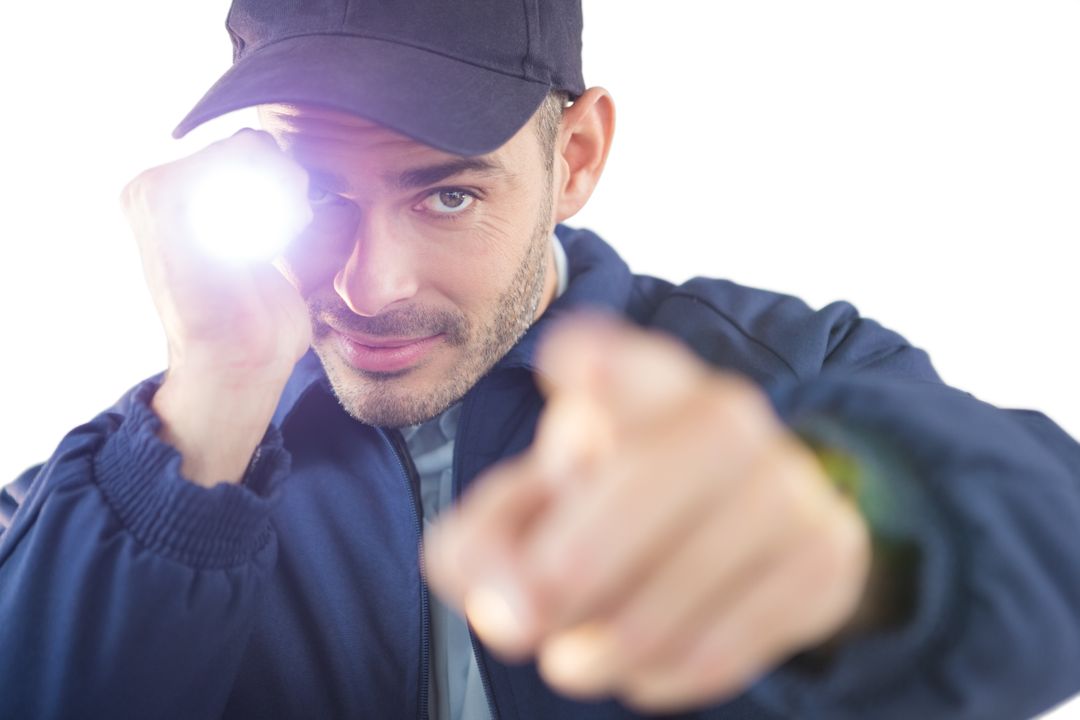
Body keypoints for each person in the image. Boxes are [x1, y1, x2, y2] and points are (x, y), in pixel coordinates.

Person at [1, 1, 1078, 718]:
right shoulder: (137, 471)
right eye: (314, 197)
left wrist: (862, 542)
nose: (370, 289)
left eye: (449, 194)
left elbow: (1053, 535)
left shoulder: (775, 376)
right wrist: (205, 423)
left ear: (577, 157)